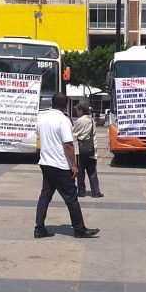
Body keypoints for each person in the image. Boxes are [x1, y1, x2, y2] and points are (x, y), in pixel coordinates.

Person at [34, 93, 100, 239]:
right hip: (60, 165)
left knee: (45, 196)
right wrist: (74, 165)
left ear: (52, 103)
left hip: (45, 163)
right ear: (66, 105)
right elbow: (68, 145)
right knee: (71, 198)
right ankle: (79, 229)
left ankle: (39, 228)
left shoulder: (42, 118)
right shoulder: (63, 121)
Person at [72, 102, 103, 198]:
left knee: (80, 172)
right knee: (92, 171)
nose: (76, 112)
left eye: (77, 110)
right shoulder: (92, 120)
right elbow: (93, 136)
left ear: (81, 111)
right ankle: (96, 192)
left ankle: (81, 192)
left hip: (81, 150)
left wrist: (75, 152)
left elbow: (74, 135)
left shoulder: (79, 121)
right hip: (91, 149)